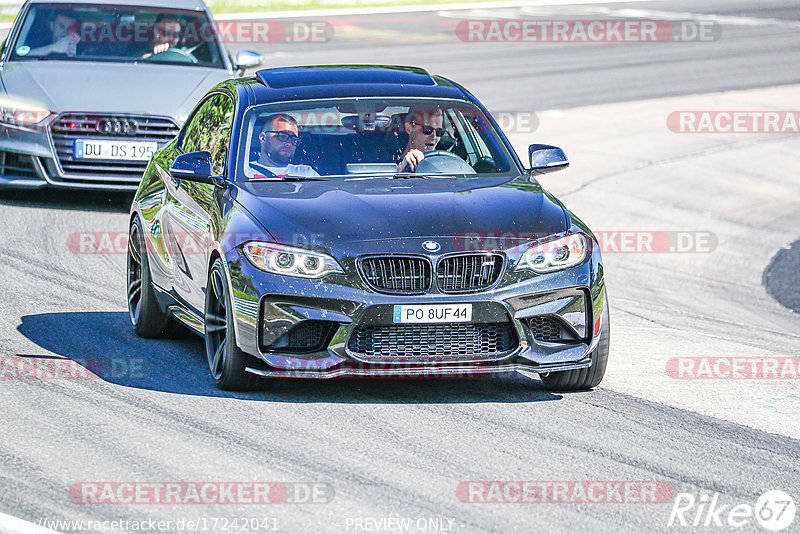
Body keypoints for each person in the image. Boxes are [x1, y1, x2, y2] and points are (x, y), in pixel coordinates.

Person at [250, 114, 319, 178]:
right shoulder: (244, 172)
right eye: (282, 136)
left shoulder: (306, 173)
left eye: (294, 139)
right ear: (263, 138)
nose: (289, 143)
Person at [396, 106, 445, 172]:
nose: (434, 136)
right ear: (409, 128)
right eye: (428, 130)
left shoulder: (446, 164)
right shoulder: (384, 162)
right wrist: (400, 172)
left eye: (439, 131)